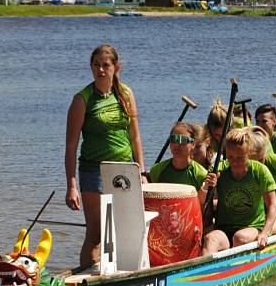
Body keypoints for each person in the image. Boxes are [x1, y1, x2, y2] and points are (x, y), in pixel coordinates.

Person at [65, 44, 144, 268]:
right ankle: (85, 280)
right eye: (96, 65)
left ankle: (118, 276)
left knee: (124, 232)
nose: (101, 70)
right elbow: (71, 146)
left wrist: (142, 170)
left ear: (115, 68)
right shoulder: (82, 99)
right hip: (94, 171)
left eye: (106, 65)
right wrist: (71, 185)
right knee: (97, 234)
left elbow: (135, 136)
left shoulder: (126, 93)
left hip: (124, 171)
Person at [201, 128, 276, 254]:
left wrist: (265, 233)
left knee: (239, 238)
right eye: (230, 157)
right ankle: (204, 273)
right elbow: (202, 201)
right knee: (210, 239)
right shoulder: (218, 170)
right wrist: (208, 187)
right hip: (224, 228)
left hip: (252, 227)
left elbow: (272, 206)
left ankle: (237, 270)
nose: (235, 162)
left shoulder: (260, 171)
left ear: (249, 153)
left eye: (240, 157)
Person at [148, 123, 209, 204]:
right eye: (173, 139)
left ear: (193, 144)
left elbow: (202, 206)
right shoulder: (157, 170)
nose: (177, 144)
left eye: (183, 140)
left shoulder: (201, 174)